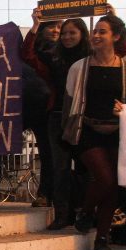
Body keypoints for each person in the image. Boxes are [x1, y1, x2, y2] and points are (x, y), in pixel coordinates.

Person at [62, 15, 126, 250]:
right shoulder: (79, 67)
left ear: (115, 36)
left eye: (102, 31)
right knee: (104, 178)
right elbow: (70, 102)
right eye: (95, 31)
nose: (96, 35)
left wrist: (123, 111)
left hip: (116, 132)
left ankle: (103, 237)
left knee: (113, 185)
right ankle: (85, 211)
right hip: (88, 131)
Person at [23, 13, 91, 228]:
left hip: (83, 117)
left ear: (83, 34)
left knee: (84, 167)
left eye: (72, 32)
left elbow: (119, 51)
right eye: (64, 33)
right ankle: (62, 214)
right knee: (60, 167)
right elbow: (28, 55)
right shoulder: (54, 56)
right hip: (58, 116)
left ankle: (83, 211)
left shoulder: (92, 57)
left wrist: (113, 17)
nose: (67, 36)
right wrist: (34, 26)